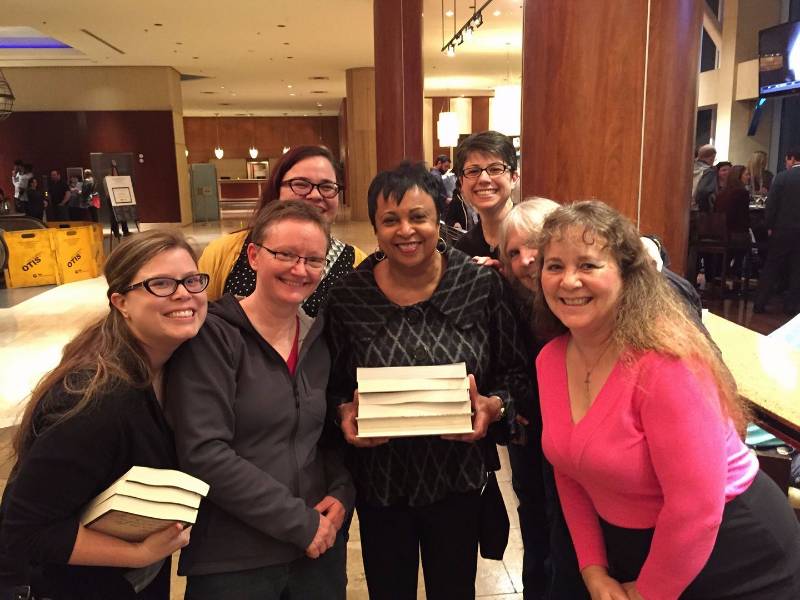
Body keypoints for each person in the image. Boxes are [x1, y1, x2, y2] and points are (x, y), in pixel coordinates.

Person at [534, 200, 800, 600]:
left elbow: (696, 510)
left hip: (734, 555)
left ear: (627, 276)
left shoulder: (666, 364)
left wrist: (647, 594)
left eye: (588, 265)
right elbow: (568, 469)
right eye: (554, 266)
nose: (568, 281)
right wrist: (593, 570)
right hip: (637, 549)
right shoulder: (550, 360)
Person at [326, 162, 531, 600]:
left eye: (418, 216)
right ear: (375, 227)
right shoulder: (349, 296)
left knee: (455, 590)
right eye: (390, 220)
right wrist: (342, 412)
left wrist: (495, 406)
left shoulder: (478, 284)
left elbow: (517, 375)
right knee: (389, 590)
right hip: (380, 485)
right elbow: (331, 387)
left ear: (440, 217)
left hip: (456, 480)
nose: (406, 230)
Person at [0, 230, 209, 599]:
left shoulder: (171, 368)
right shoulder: (97, 400)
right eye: (160, 283)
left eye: (192, 280)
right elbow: (25, 529)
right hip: (69, 585)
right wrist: (138, 552)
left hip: (127, 580)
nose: (183, 293)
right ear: (121, 301)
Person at [166, 200, 355, 600]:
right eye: (285, 254)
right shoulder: (213, 337)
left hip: (316, 551)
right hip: (235, 558)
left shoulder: (318, 340)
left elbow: (321, 437)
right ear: (253, 255)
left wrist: (341, 491)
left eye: (313, 260)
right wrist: (298, 523)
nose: (299, 269)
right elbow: (204, 452)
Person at [497, 198, 589, 600]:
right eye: (513, 252)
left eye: (534, 244)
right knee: (533, 517)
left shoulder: (579, 297)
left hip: (577, 433)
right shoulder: (503, 296)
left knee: (571, 524)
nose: (526, 259)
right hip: (530, 430)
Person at [199, 145, 366, 317]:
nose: (316, 195)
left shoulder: (357, 263)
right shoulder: (223, 252)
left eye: (327, 186)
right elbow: (201, 322)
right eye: (301, 184)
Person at [453, 130, 519, 258]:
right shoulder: (463, 249)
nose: (484, 179)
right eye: (473, 171)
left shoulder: (536, 235)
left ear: (514, 178)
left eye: (495, 169)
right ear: (461, 182)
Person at [754, 147, 800, 315]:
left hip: (783, 229)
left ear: (792, 158)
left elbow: (771, 205)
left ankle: (759, 303)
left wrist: (769, 226)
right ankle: (791, 307)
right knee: (797, 269)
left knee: (772, 266)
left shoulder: (782, 177)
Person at [692, 144, 716, 211]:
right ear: (712, 157)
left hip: (685, 205)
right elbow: (703, 191)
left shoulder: (689, 167)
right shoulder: (709, 172)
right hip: (699, 209)